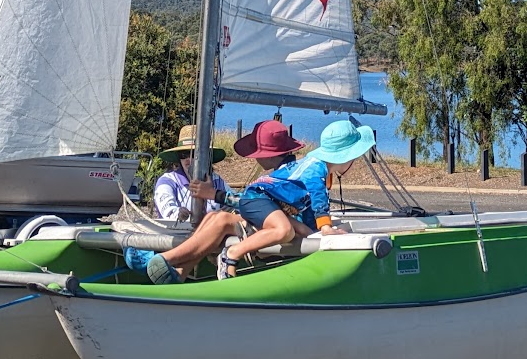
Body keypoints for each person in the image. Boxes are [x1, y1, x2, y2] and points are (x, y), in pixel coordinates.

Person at [143, 115, 376, 283]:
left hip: (261, 206)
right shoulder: (313, 169)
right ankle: (192, 260)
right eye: (185, 156)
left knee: (219, 218)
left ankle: (177, 272)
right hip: (263, 207)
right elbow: (314, 200)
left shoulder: (296, 170)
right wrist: (324, 229)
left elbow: (291, 206)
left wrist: (309, 229)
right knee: (281, 229)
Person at [150, 126, 230, 225]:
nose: (189, 160)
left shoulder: (217, 181)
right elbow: (168, 211)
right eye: (184, 155)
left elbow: (236, 204)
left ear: (206, 157)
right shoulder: (167, 181)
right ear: (179, 158)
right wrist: (179, 214)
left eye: (195, 154)